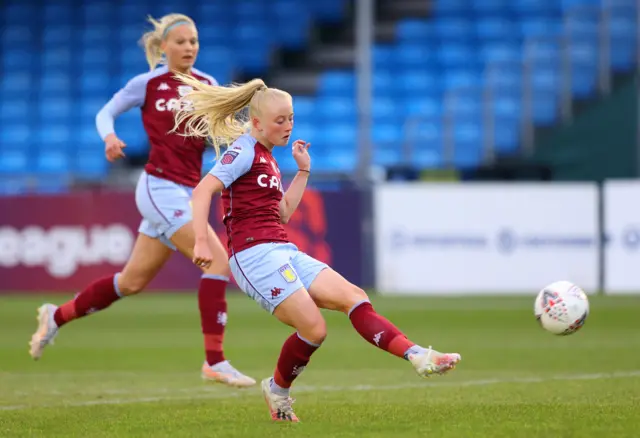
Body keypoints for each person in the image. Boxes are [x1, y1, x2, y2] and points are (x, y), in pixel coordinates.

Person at [171, 74, 462, 422]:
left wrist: (303, 172)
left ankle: (417, 356)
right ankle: (278, 391)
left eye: (291, 117)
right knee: (315, 329)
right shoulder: (243, 150)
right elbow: (203, 190)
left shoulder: (267, 157)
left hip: (281, 247)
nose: (288, 125)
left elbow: (281, 214)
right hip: (253, 255)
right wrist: (202, 239)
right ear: (257, 123)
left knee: (354, 296)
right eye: (280, 120)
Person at [28, 13, 255, 388]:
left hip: (186, 188)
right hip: (159, 185)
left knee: (130, 283)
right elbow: (106, 112)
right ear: (163, 47)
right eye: (180, 41)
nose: (188, 47)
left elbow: (225, 129)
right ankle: (215, 361)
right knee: (217, 261)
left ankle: (56, 316)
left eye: (193, 41)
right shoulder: (148, 83)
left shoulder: (208, 84)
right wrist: (109, 137)